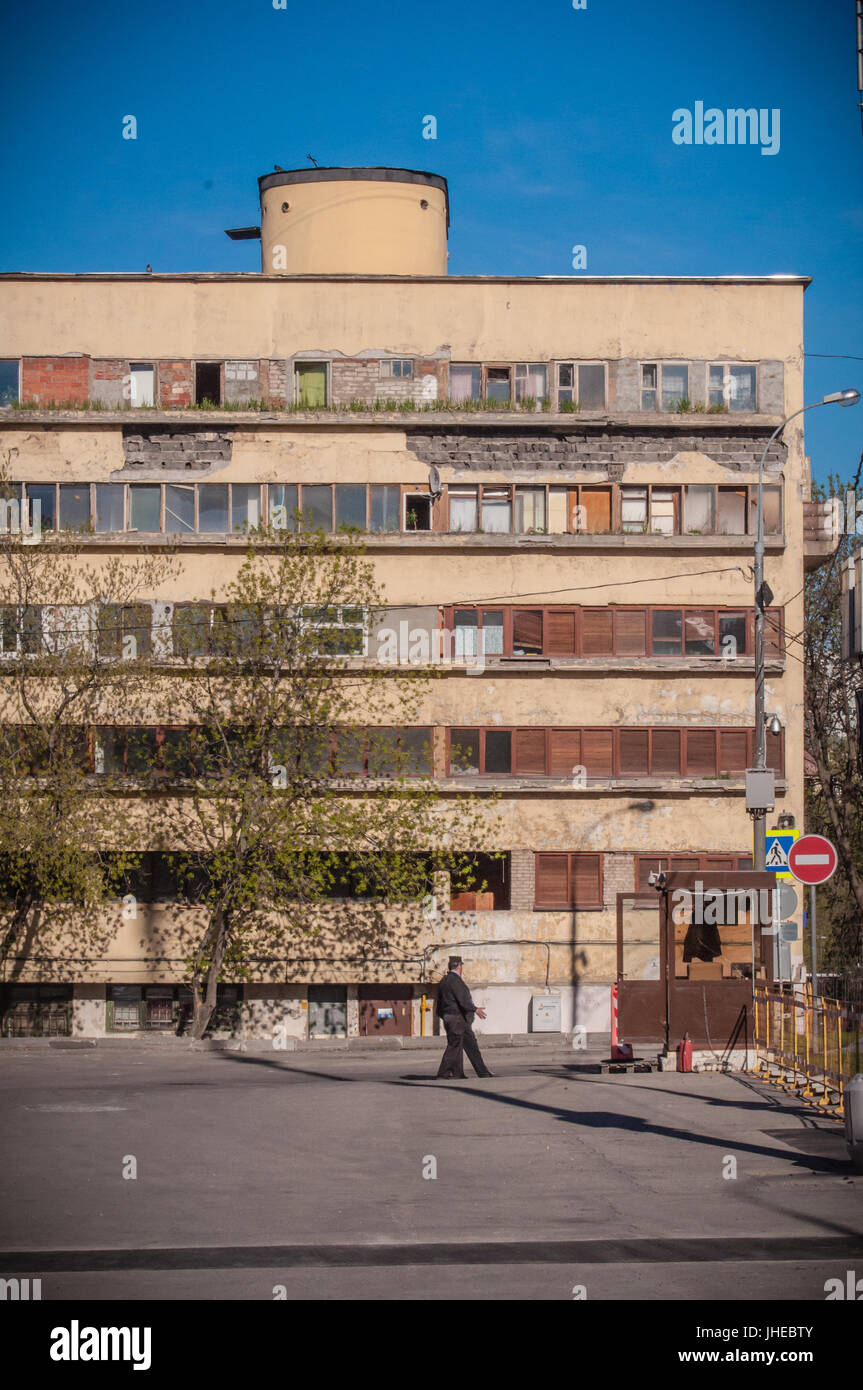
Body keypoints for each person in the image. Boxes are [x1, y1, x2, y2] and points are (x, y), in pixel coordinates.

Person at [435, 956, 495, 1079]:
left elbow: (439, 1002)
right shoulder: (455, 981)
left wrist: (443, 1016)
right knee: (455, 1045)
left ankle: (477, 1072)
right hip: (457, 1018)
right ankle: (443, 1073)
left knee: (471, 1045)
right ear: (459, 966)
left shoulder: (444, 981)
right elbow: (463, 1000)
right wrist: (475, 1009)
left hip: (453, 1018)